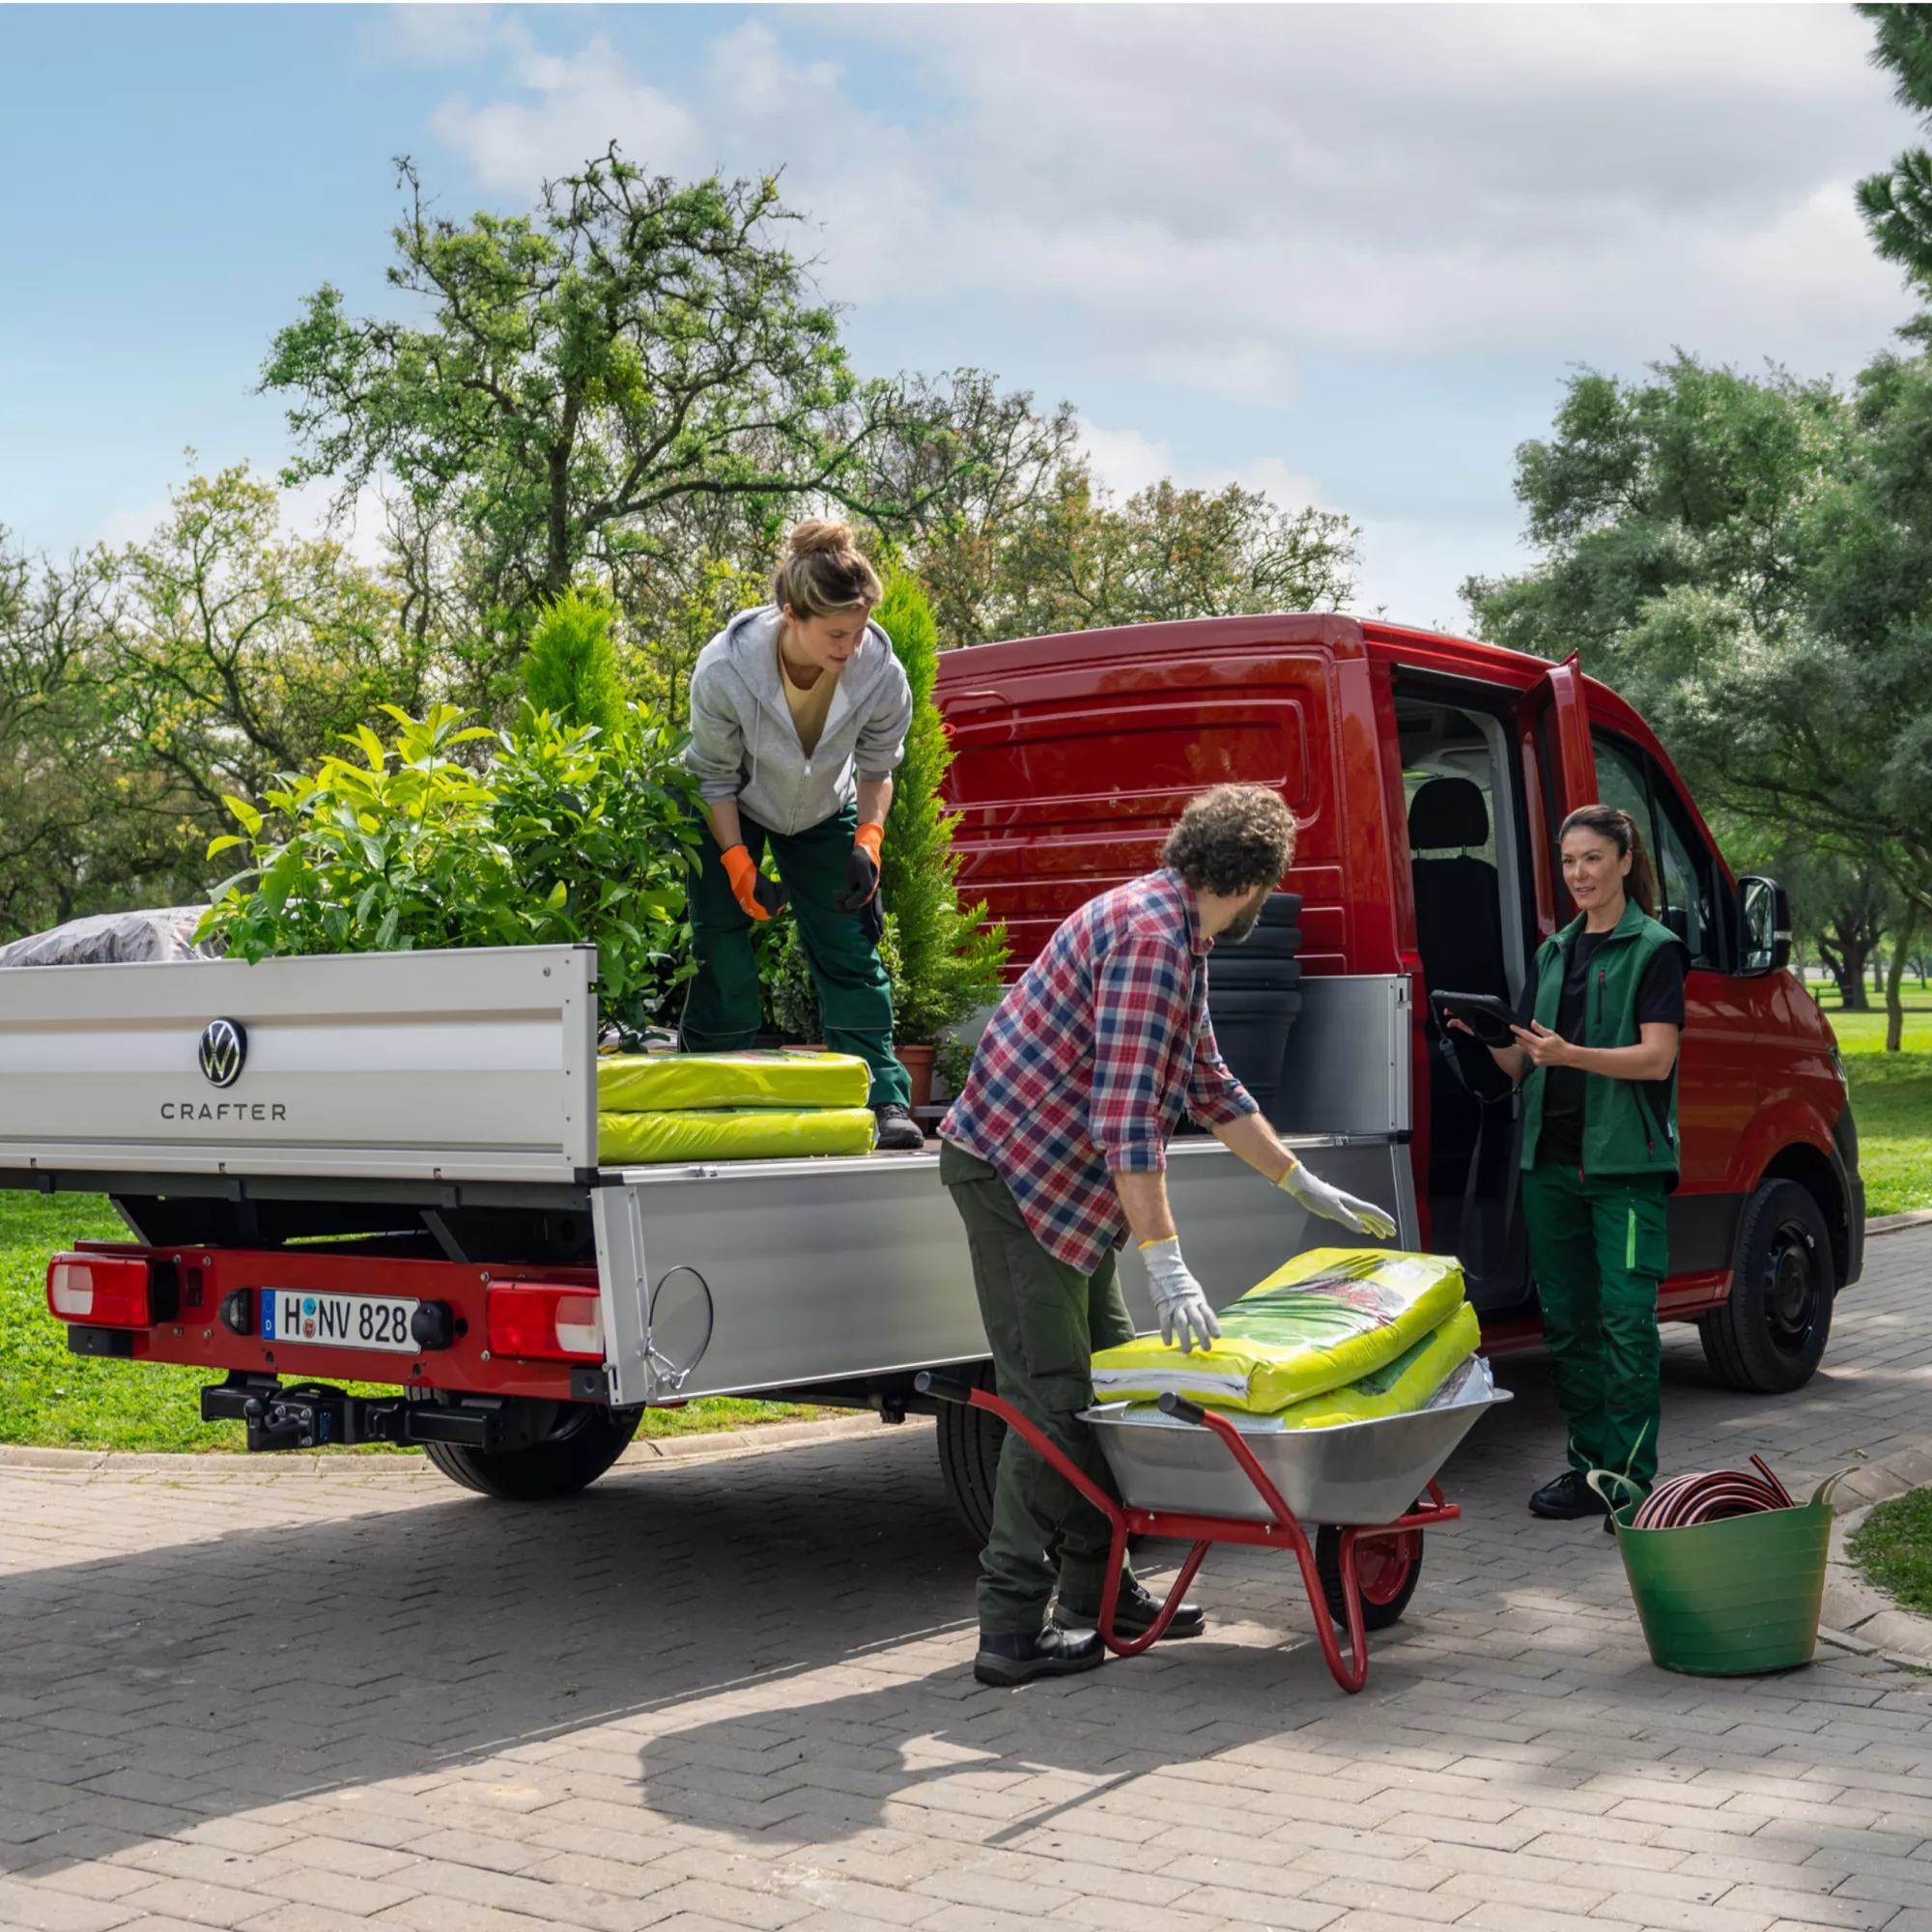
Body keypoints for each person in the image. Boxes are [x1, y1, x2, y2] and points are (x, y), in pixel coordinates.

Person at [939, 783, 1399, 1686]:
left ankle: (1099, 1595)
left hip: (1061, 1188)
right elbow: (1125, 1121)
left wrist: (1301, 1179)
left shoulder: (1173, 925)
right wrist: (1170, 1267)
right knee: (1050, 1399)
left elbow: (1210, 1082)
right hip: (1015, 1178)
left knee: (1117, 1389)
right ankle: (1008, 1628)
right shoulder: (1153, 940)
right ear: (1259, 880)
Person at [1453, 804, 1687, 1529]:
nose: (1578, 874)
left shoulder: (1655, 949)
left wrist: (1571, 1054)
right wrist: (1482, 1035)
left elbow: (1657, 1058)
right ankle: (1590, 1470)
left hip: (1622, 1171)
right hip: (1549, 1168)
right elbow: (1524, 1065)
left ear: (1623, 859)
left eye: (1591, 858)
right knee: (1569, 1327)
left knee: (1625, 1326)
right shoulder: (1554, 954)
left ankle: (1632, 1483)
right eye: (1568, 861)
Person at [683, 520, 923, 1151]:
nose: (850, 646)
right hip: (732, 805)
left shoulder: (880, 671)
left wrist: (868, 841)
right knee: (724, 946)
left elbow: (878, 767)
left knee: (850, 947)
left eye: (861, 628)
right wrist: (736, 861)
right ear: (792, 615)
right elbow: (712, 777)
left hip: (822, 810)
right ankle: (716, 1089)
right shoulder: (725, 669)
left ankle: (883, 1096)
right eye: (835, 634)